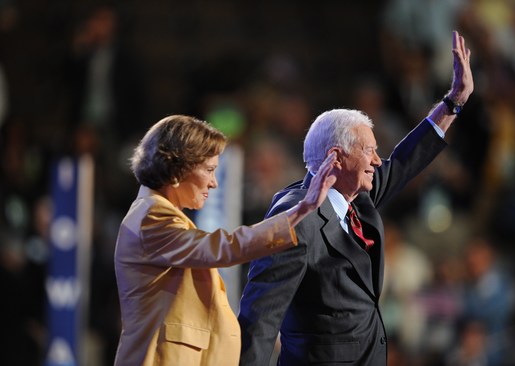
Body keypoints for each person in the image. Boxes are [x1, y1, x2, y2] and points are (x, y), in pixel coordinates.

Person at [238, 30, 474, 365]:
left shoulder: (356, 199)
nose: (378, 161)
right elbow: (259, 318)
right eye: (370, 152)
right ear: (336, 158)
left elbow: (405, 161)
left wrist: (453, 102)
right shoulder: (295, 218)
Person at [113, 115, 337, 366]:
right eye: (209, 170)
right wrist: (300, 209)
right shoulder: (152, 216)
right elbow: (224, 247)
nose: (214, 182)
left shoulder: (157, 214)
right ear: (177, 168)